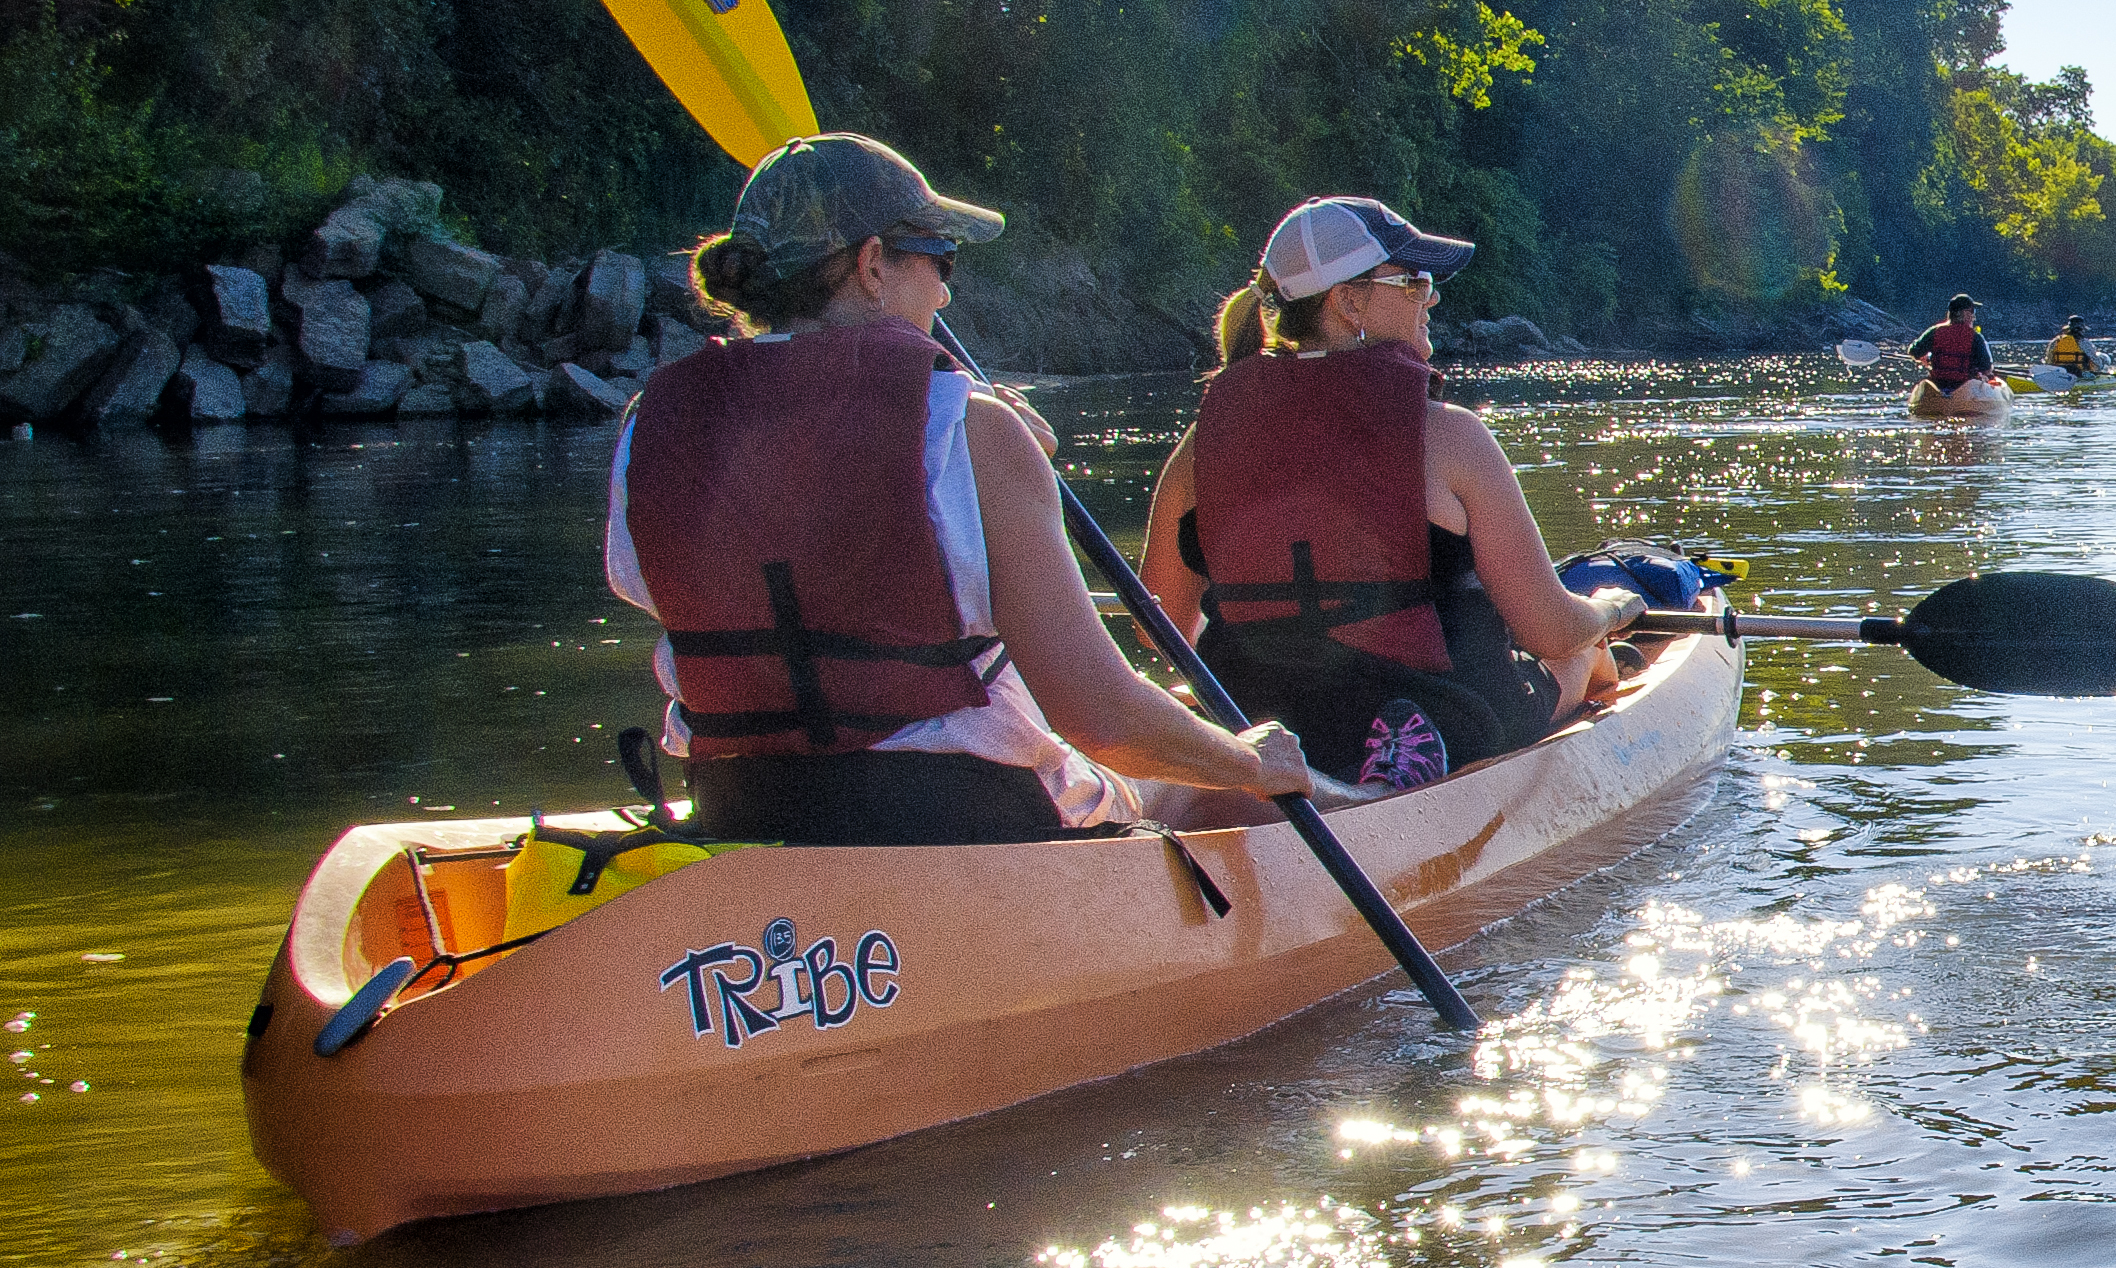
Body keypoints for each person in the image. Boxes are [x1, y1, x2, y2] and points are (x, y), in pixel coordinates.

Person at [605, 133, 1308, 845]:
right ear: (872, 264)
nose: (944, 291)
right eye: (939, 261)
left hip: (740, 811)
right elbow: (1102, 720)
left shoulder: (649, 426)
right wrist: (1248, 761)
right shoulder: (969, 428)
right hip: (953, 821)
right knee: (1207, 793)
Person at [1137, 197, 1644, 791]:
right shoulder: (1451, 436)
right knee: (1583, 655)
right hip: (1440, 706)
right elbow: (1549, 630)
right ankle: (1412, 753)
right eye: (1414, 281)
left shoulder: (1202, 442)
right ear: (1347, 300)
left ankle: (1314, 763)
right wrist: (1613, 609)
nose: (1431, 297)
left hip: (1261, 720)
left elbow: (1160, 624)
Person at [1909, 295, 1996, 395]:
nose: (1974, 316)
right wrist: (1984, 374)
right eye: (1972, 312)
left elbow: (1914, 351)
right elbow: (1986, 368)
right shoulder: (1975, 337)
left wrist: (1924, 357)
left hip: (1938, 385)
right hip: (1965, 387)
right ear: (1965, 313)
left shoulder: (1935, 332)